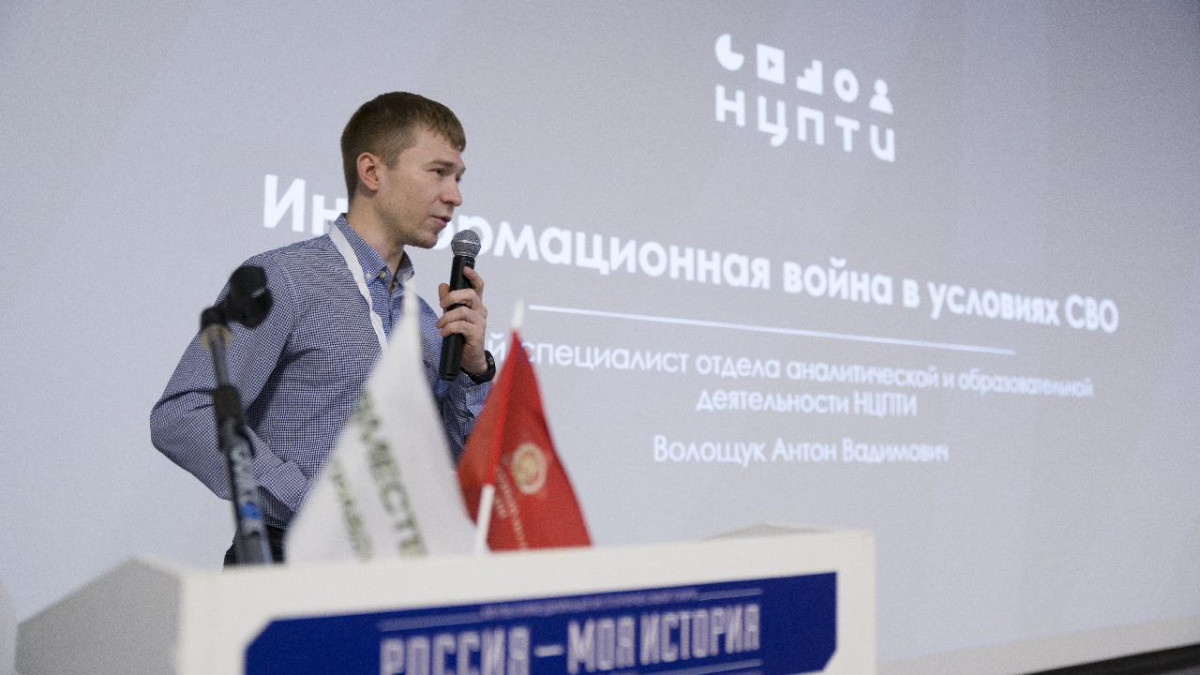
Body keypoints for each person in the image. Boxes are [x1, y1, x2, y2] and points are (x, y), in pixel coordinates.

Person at [150, 92, 494, 563]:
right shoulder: (283, 278)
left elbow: (450, 463)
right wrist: (317, 505)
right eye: (439, 172)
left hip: (398, 572)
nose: (455, 195)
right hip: (291, 562)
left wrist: (474, 370)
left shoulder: (427, 321)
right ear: (371, 172)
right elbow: (185, 414)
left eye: (458, 177)